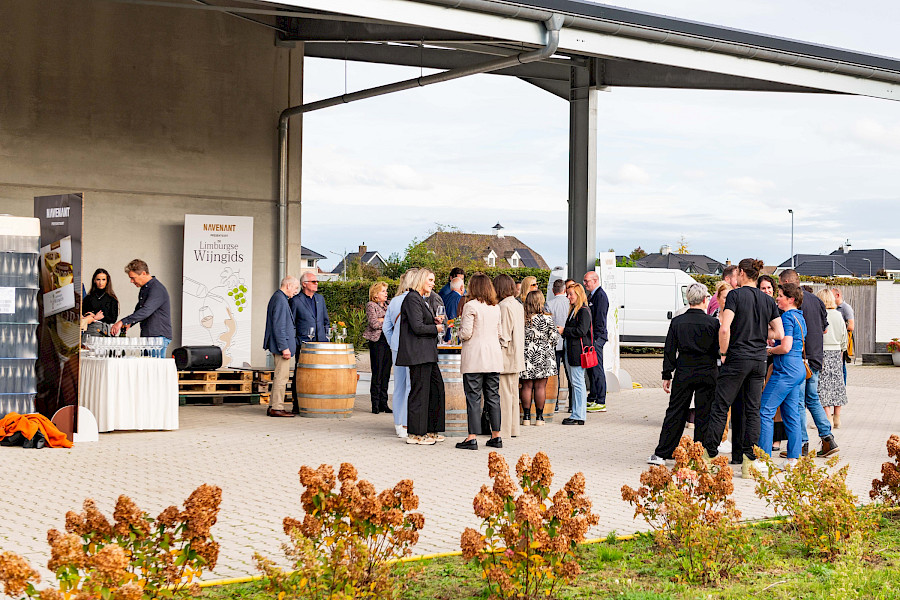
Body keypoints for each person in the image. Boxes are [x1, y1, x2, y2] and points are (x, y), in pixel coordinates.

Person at [701, 258, 783, 479]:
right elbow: (779, 333)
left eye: (737, 272)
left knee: (720, 406)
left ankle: (709, 457)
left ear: (742, 273)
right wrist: (759, 333)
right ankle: (749, 463)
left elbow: (724, 328)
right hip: (758, 360)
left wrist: (724, 352)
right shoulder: (767, 300)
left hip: (737, 357)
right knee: (753, 410)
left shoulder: (735, 296)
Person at [647, 283, 719, 465]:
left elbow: (670, 349)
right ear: (705, 300)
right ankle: (699, 453)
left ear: (688, 299)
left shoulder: (678, 322)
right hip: (707, 371)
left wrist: (667, 374)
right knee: (704, 413)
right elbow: (718, 349)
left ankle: (662, 453)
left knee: (676, 411)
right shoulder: (713, 323)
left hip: (684, 370)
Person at [779, 270, 833, 459]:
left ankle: (801, 443)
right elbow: (825, 330)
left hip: (799, 358)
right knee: (812, 399)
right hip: (816, 357)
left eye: (781, 286)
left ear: (787, 282)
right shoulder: (817, 300)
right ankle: (828, 438)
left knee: (798, 402)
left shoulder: (792, 303)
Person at [758, 283, 807, 468]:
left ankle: (763, 459)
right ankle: (793, 459)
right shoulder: (800, 317)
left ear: (790, 299)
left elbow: (786, 347)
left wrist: (770, 351)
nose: (777, 298)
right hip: (797, 369)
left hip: (785, 370)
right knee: (791, 414)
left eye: (780, 295)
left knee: (765, 411)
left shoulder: (786, 317)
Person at [397, 268, 446, 446]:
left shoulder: (420, 299)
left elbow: (420, 322)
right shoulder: (412, 298)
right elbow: (417, 327)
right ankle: (416, 434)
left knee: (435, 389)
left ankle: (430, 429)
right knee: (420, 393)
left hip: (427, 354)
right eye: (430, 280)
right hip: (418, 354)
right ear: (421, 280)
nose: (433, 283)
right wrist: (436, 328)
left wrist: (434, 321)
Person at [455, 273, 503, 450]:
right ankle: (496, 436)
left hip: (475, 357)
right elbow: (500, 332)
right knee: (493, 397)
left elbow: (466, 333)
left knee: (474, 397)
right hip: (493, 356)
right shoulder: (496, 307)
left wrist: (458, 332)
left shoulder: (470, 306)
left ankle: (472, 437)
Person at [109, 260, 173, 353]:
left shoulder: (156, 288)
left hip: (157, 338)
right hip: (149, 338)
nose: (131, 281)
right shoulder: (145, 288)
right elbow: (139, 309)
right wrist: (129, 323)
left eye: (133, 278)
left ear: (143, 273)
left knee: (153, 363)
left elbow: (146, 311)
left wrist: (122, 321)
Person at [383, 269, 418, 438]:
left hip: (397, 347)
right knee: (411, 386)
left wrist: (393, 343)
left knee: (399, 386)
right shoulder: (418, 300)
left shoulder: (394, 301)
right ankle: (407, 422)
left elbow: (386, 327)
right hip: (413, 347)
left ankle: (398, 423)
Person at [520, 290, 559, 426]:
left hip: (526, 355)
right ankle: (539, 418)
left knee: (526, 386)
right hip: (543, 355)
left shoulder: (523, 319)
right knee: (540, 387)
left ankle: (526, 418)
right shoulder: (547, 319)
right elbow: (554, 339)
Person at [263, 276, 299, 418]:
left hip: (280, 345)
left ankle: (273, 406)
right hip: (281, 347)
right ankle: (277, 407)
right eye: (295, 288)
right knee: (281, 377)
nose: (296, 291)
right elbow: (279, 327)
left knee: (280, 376)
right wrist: (284, 347)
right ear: (288, 285)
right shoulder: (280, 300)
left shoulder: (279, 298)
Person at [493, 274, 525, 439]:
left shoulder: (504, 306)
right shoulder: (518, 304)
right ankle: (514, 429)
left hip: (507, 356)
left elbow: (504, 335)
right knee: (513, 395)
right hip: (517, 355)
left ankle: (504, 430)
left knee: (504, 395)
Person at [559, 283, 591, 425]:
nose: (568, 297)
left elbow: (581, 331)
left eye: (571, 294)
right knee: (576, 382)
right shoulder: (574, 310)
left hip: (577, 352)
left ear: (578, 295)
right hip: (572, 350)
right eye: (568, 294)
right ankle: (577, 413)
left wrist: (564, 331)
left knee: (578, 383)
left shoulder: (583, 311)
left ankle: (579, 415)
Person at [817, 288, 847, 443]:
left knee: (823, 385)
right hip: (836, 352)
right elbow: (844, 335)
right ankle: (837, 417)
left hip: (822, 351)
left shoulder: (821, 315)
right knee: (837, 384)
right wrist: (842, 348)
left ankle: (827, 417)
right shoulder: (838, 315)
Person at [582, 271, 609, 412]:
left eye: (587, 281)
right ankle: (593, 397)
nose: (585, 284)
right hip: (593, 338)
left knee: (597, 369)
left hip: (597, 338)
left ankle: (601, 400)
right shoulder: (592, 295)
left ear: (595, 280)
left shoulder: (600, 296)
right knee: (591, 369)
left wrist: (596, 339)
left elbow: (599, 319)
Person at [364, 281, 392, 415]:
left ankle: (384, 403)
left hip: (388, 341)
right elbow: (374, 324)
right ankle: (375, 404)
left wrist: (382, 319)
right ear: (376, 294)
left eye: (386, 291)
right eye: (383, 291)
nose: (386, 293)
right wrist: (385, 320)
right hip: (377, 341)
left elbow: (394, 321)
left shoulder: (389, 305)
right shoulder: (371, 305)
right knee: (377, 372)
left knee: (386, 372)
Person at [545, 279, 570, 407]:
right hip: (568, 341)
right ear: (564, 290)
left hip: (554, 343)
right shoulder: (570, 303)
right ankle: (572, 405)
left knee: (555, 374)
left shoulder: (549, 304)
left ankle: (554, 404)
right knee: (570, 374)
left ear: (553, 290)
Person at [290, 272, 330, 345]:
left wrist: (326, 336)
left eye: (317, 281)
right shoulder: (295, 301)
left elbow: (326, 321)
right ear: (304, 284)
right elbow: (291, 324)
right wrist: (296, 342)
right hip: (303, 343)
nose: (316, 284)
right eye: (313, 282)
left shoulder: (320, 298)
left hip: (321, 342)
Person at [832, 287, 854, 383]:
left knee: (842, 365)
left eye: (832, 296)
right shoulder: (834, 308)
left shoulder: (846, 308)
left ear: (837, 295)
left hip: (842, 341)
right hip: (836, 340)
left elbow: (851, 326)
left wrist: (839, 327)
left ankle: (843, 385)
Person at [441, 277, 464, 342]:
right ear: (461, 287)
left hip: (444, 333)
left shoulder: (443, 298)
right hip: (454, 336)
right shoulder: (460, 299)